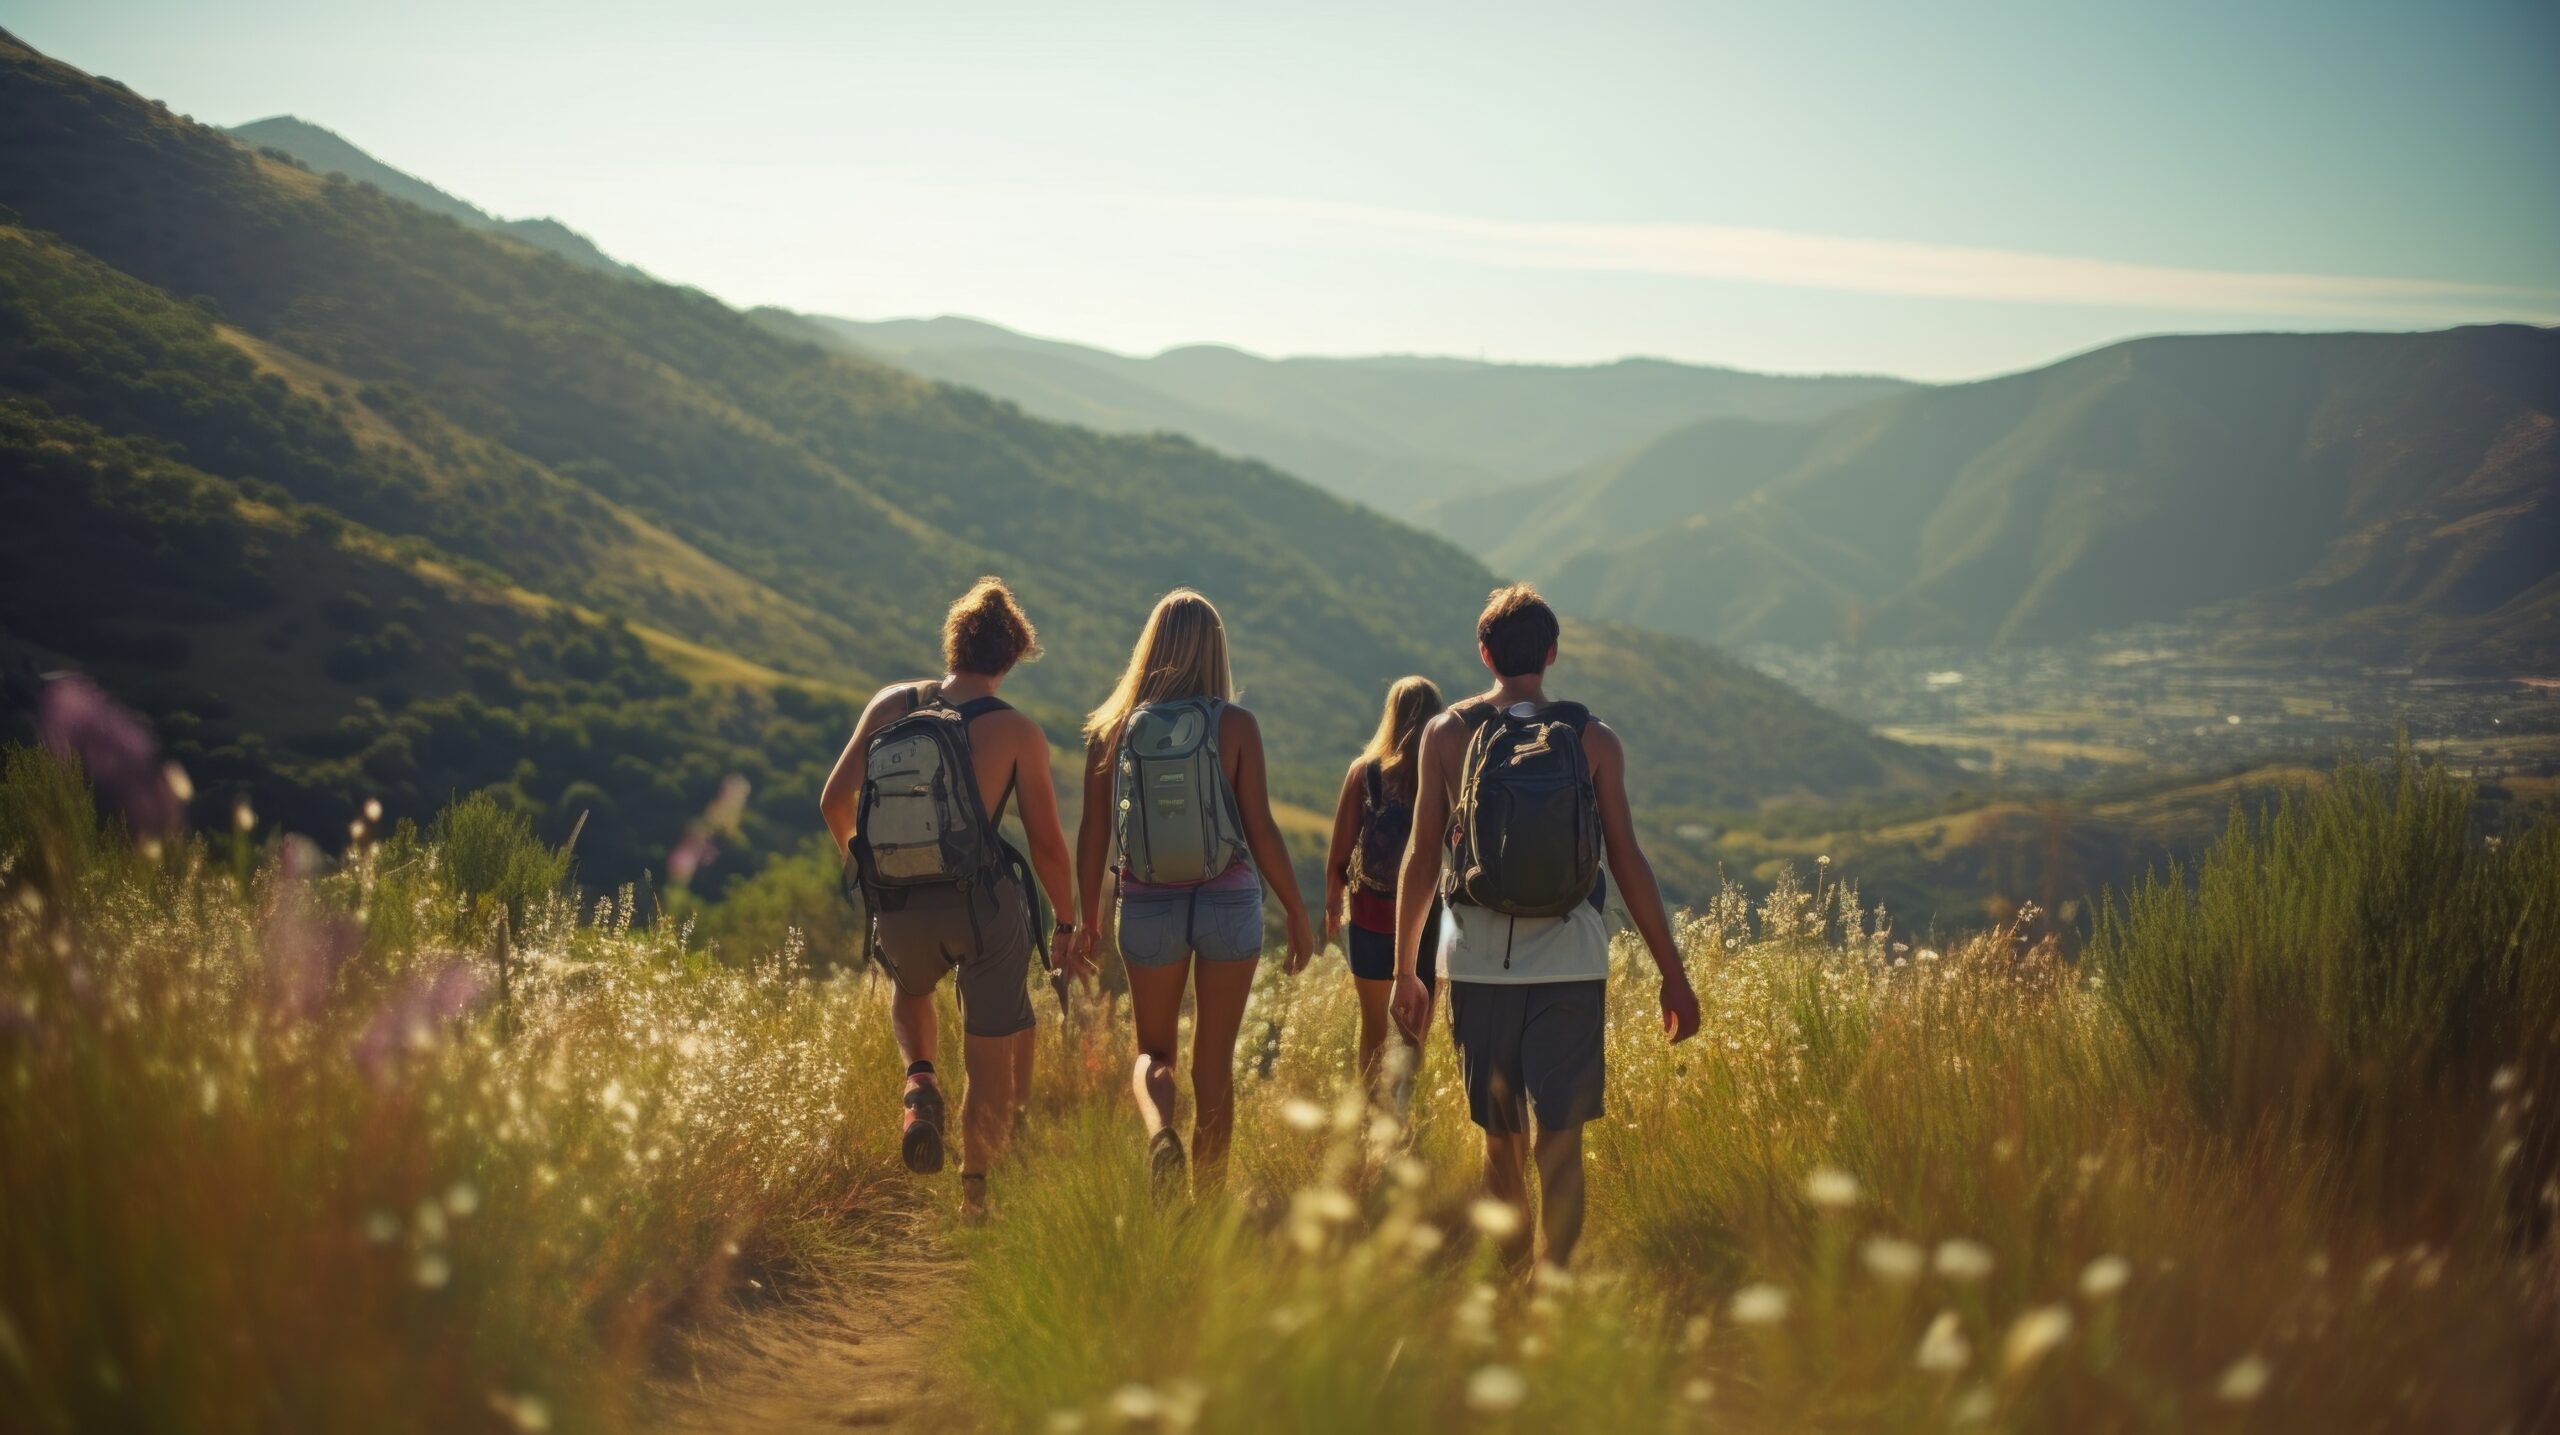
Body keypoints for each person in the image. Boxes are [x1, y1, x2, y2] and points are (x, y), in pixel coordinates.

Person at [1390, 584, 1700, 1273]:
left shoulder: (1445, 734)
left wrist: (1406, 969)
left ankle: (1509, 1287)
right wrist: (1673, 976)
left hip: (1475, 962)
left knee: (1501, 1142)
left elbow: (1420, 857)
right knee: (1560, 1145)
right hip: (1571, 961)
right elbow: (1627, 860)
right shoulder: (1594, 739)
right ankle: (1553, 1294)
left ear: (1484, 652)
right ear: (1552, 654)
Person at [821, 577, 1088, 1221]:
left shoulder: (893, 703)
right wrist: (1067, 921)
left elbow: (834, 801)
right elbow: (1049, 846)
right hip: (981, 908)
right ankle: (974, 1197)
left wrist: (878, 871)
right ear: (1011, 657)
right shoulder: (1018, 732)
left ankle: (919, 1080)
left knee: (912, 993)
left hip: (899, 903)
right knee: (988, 1049)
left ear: (953, 644)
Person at [1073, 589, 1315, 1195]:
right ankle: (1204, 1214)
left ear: (1149, 647)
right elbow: (1259, 827)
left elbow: (1094, 834)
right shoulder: (1234, 725)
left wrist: (1086, 922)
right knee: (1214, 1067)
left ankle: (1160, 1134)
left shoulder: (1111, 730)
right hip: (1229, 900)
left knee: (1154, 1054)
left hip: (1148, 900)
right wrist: (1297, 912)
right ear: (1215, 651)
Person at [1322, 675, 1444, 1108]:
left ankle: (1369, 1119)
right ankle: (1405, 1121)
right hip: (1428, 920)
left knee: (1373, 1028)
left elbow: (1340, 853)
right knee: (1414, 1030)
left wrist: (1333, 905)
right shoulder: (1441, 779)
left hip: (1372, 913)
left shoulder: (1366, 773)